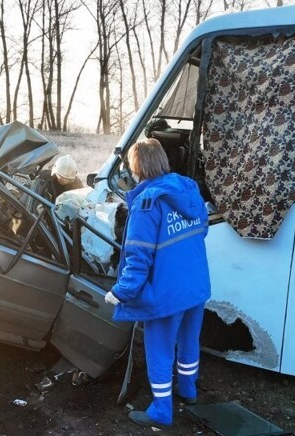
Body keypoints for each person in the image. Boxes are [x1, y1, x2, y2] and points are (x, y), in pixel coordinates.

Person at [104, 137, 211, 428]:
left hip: (167, 294)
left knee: (160, 350)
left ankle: (161, 410)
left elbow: (138, 257)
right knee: (189, 341)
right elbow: (202, 230)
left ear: (136, 167)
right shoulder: (189, 190)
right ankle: (188, 390)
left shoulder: (147, 203)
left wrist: (121, 292)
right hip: (196, 285)